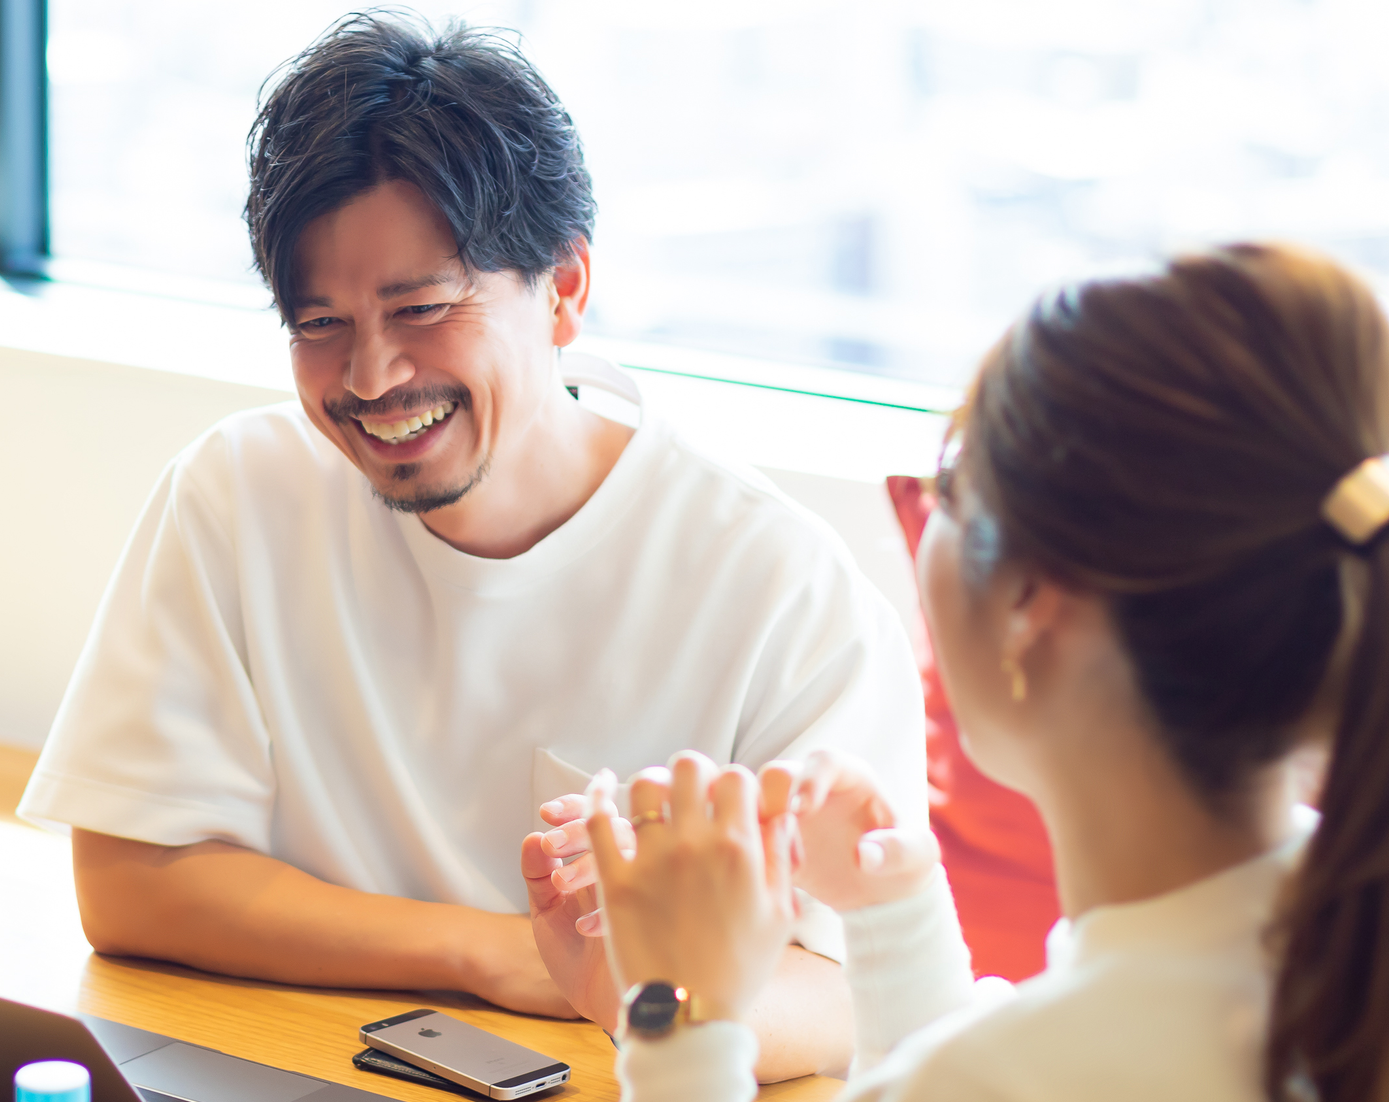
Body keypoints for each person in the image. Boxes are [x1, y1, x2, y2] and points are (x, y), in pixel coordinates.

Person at [17, 13, 923, 1081]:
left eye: (421, 307)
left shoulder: (778, 586)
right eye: (320, 325)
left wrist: (632, 990)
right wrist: (489, 951)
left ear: (565, 289)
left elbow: (845, 994)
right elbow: (132, 882)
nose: (370, 377)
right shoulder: (237, 493)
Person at [530, 241, 1389, 1101]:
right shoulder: (1327, 940)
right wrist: (891, 915)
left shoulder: (1022, 1068)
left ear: (1029, 601)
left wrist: (677, 1006)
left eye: (948, 482)